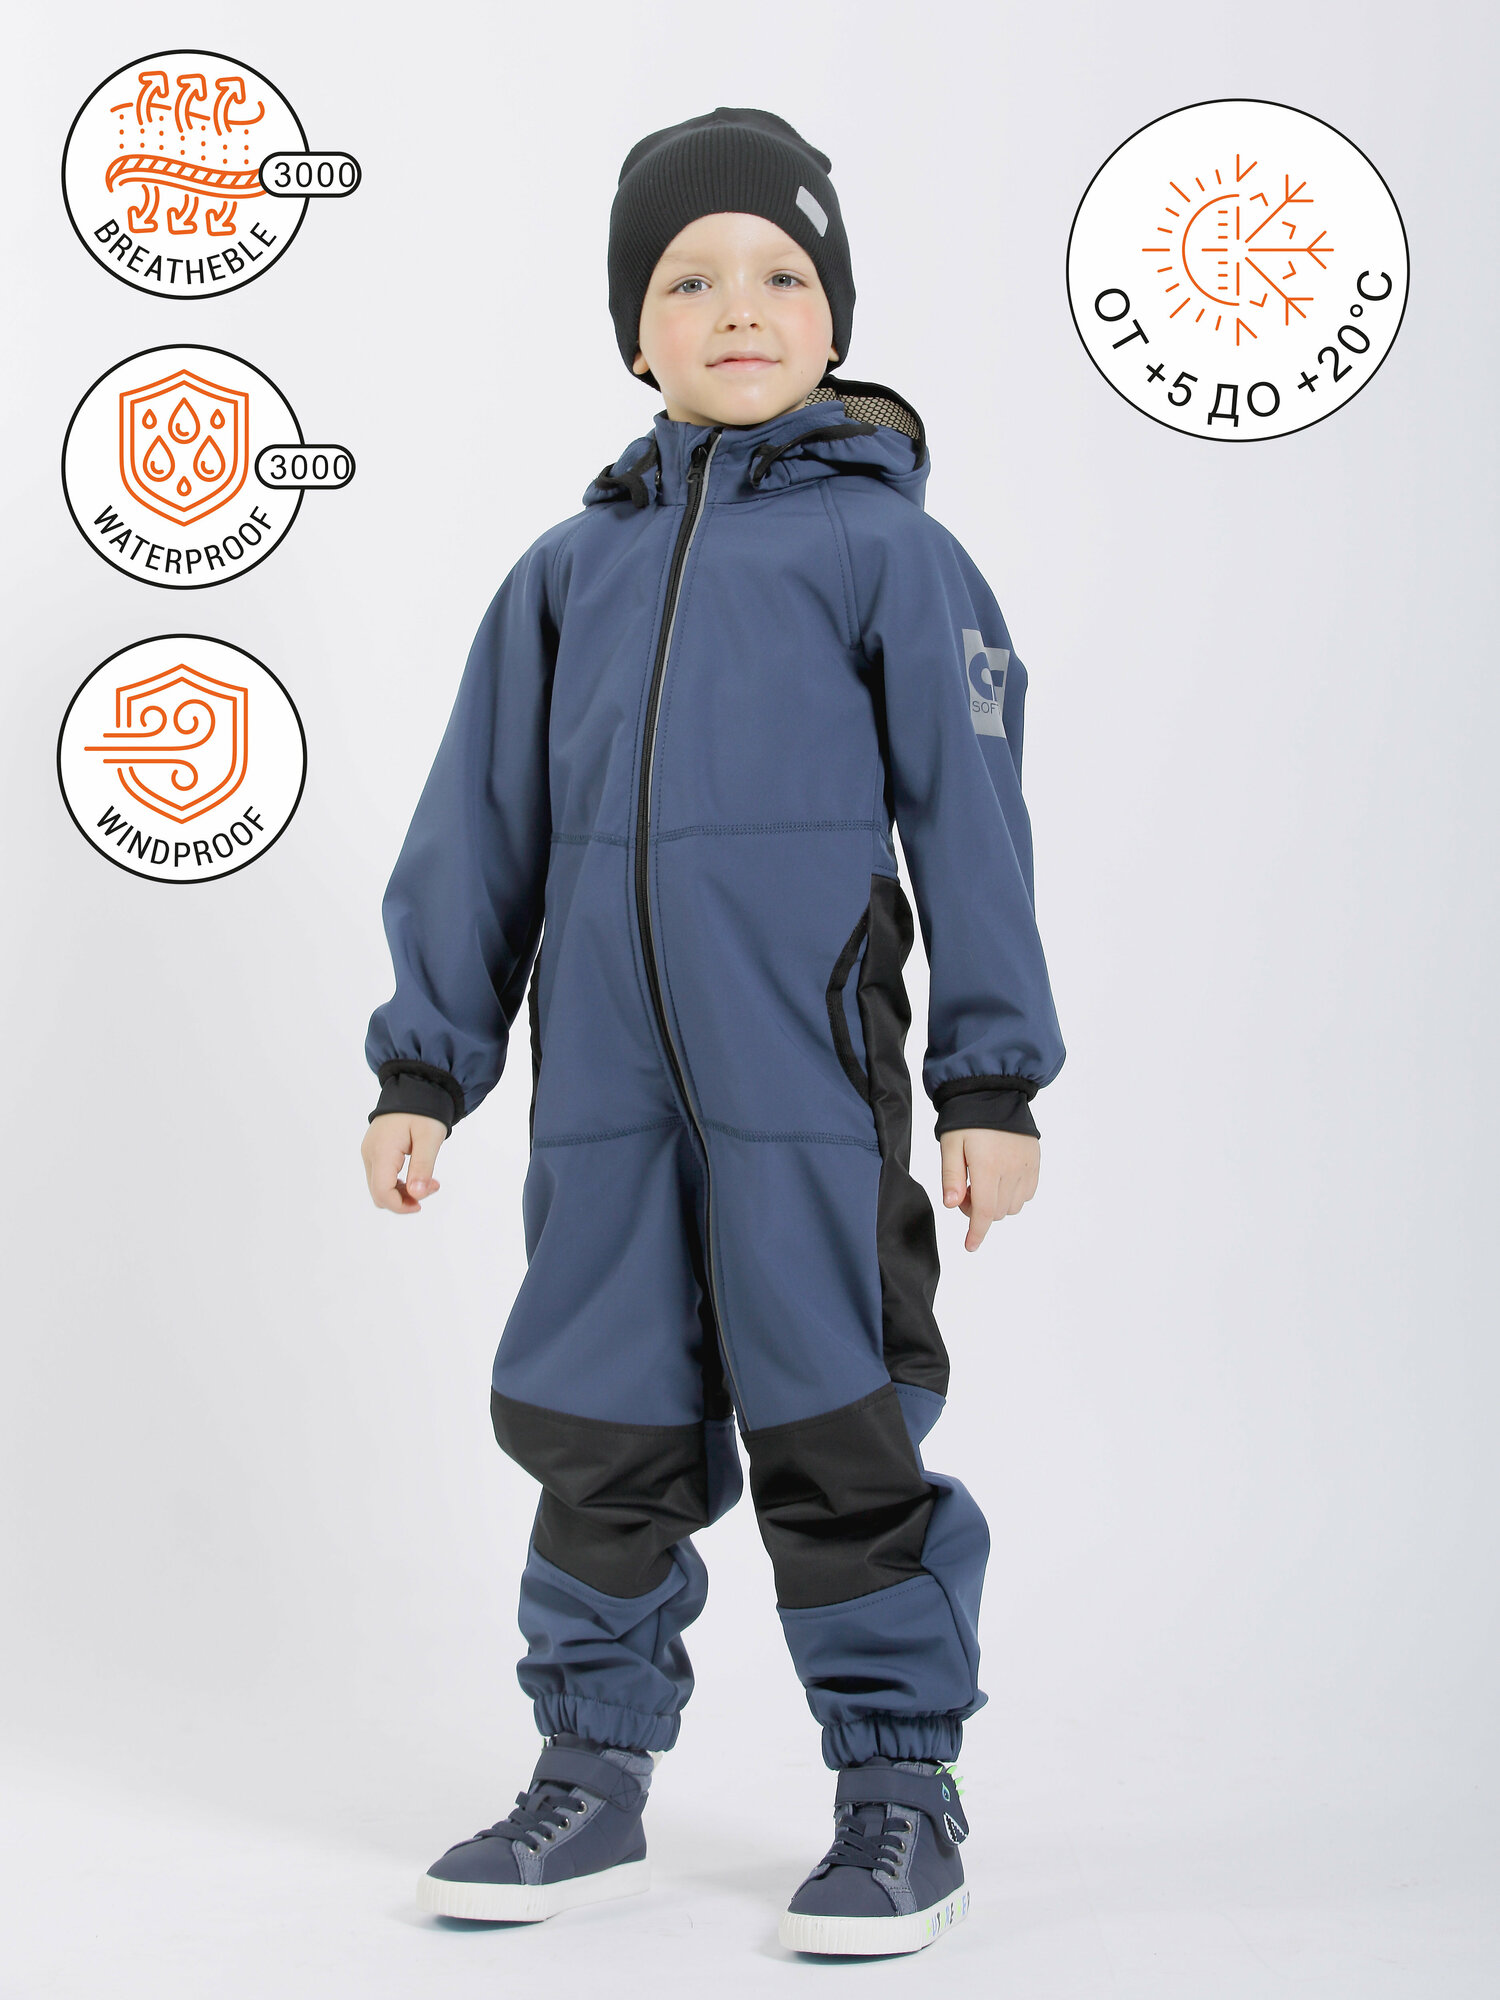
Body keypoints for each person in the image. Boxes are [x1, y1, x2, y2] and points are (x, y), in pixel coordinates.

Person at [361, 105, 1065, 1958]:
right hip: (603, 1102)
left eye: (780, 273)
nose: (737, 307)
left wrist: (991, 1080)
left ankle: (899, 1793)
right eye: (686, 280)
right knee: (599, 1421)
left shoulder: (889, 554)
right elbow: (476, 832)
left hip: (805, 1089)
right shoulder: (563, 574)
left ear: (834, 317)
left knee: (841, 1420)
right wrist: (427, 1063)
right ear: (633, 334)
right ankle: (589, 1777)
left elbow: (973, 825)